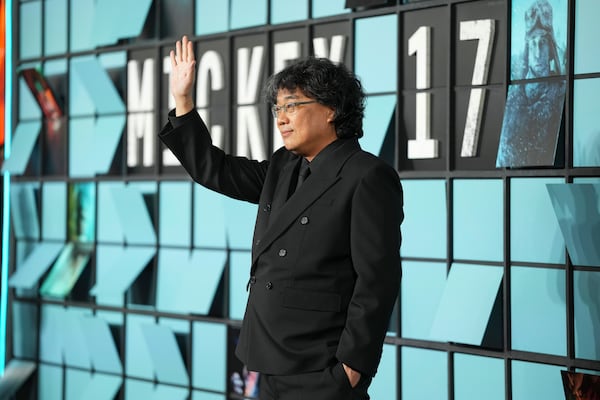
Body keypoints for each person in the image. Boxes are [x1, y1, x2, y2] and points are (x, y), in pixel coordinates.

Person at [159, 35, 403, 399]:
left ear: (331, 109)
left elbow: (377, 282)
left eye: (291, 106)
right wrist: (183, 100)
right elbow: (215, 169)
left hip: (321, 370)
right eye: (277, 109)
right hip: (267, 360)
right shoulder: (283, 165)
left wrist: (351, 369)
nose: (282, 119)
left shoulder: (366, 175)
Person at [497, 0, 566, 167]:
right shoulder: (514, 97)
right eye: (532, 44)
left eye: (542, 43)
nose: (537, 53)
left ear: (550, 49)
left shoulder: (560, 93)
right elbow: (504, 157)